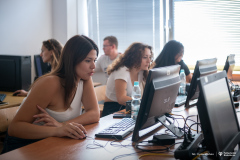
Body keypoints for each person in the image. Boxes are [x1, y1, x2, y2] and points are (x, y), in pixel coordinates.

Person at [2, 35, 100, 153]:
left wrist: (61, 125)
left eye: (94, 60)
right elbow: (15, 128)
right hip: (23, 145)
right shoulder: (50, 83)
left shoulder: (85, 79)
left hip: (52, 141)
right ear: (72, 60)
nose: (93, 66)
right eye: (88, 60)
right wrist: (57, 130)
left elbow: (94, 113)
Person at [101, 42, 153, 117]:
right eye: (145, 57)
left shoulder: (141, 72)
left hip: (129, 108)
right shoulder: (122, 70)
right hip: (114, 110)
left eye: (150, 57)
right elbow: (121, 98)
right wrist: (144, 104)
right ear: (134, 58)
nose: (149, 61)